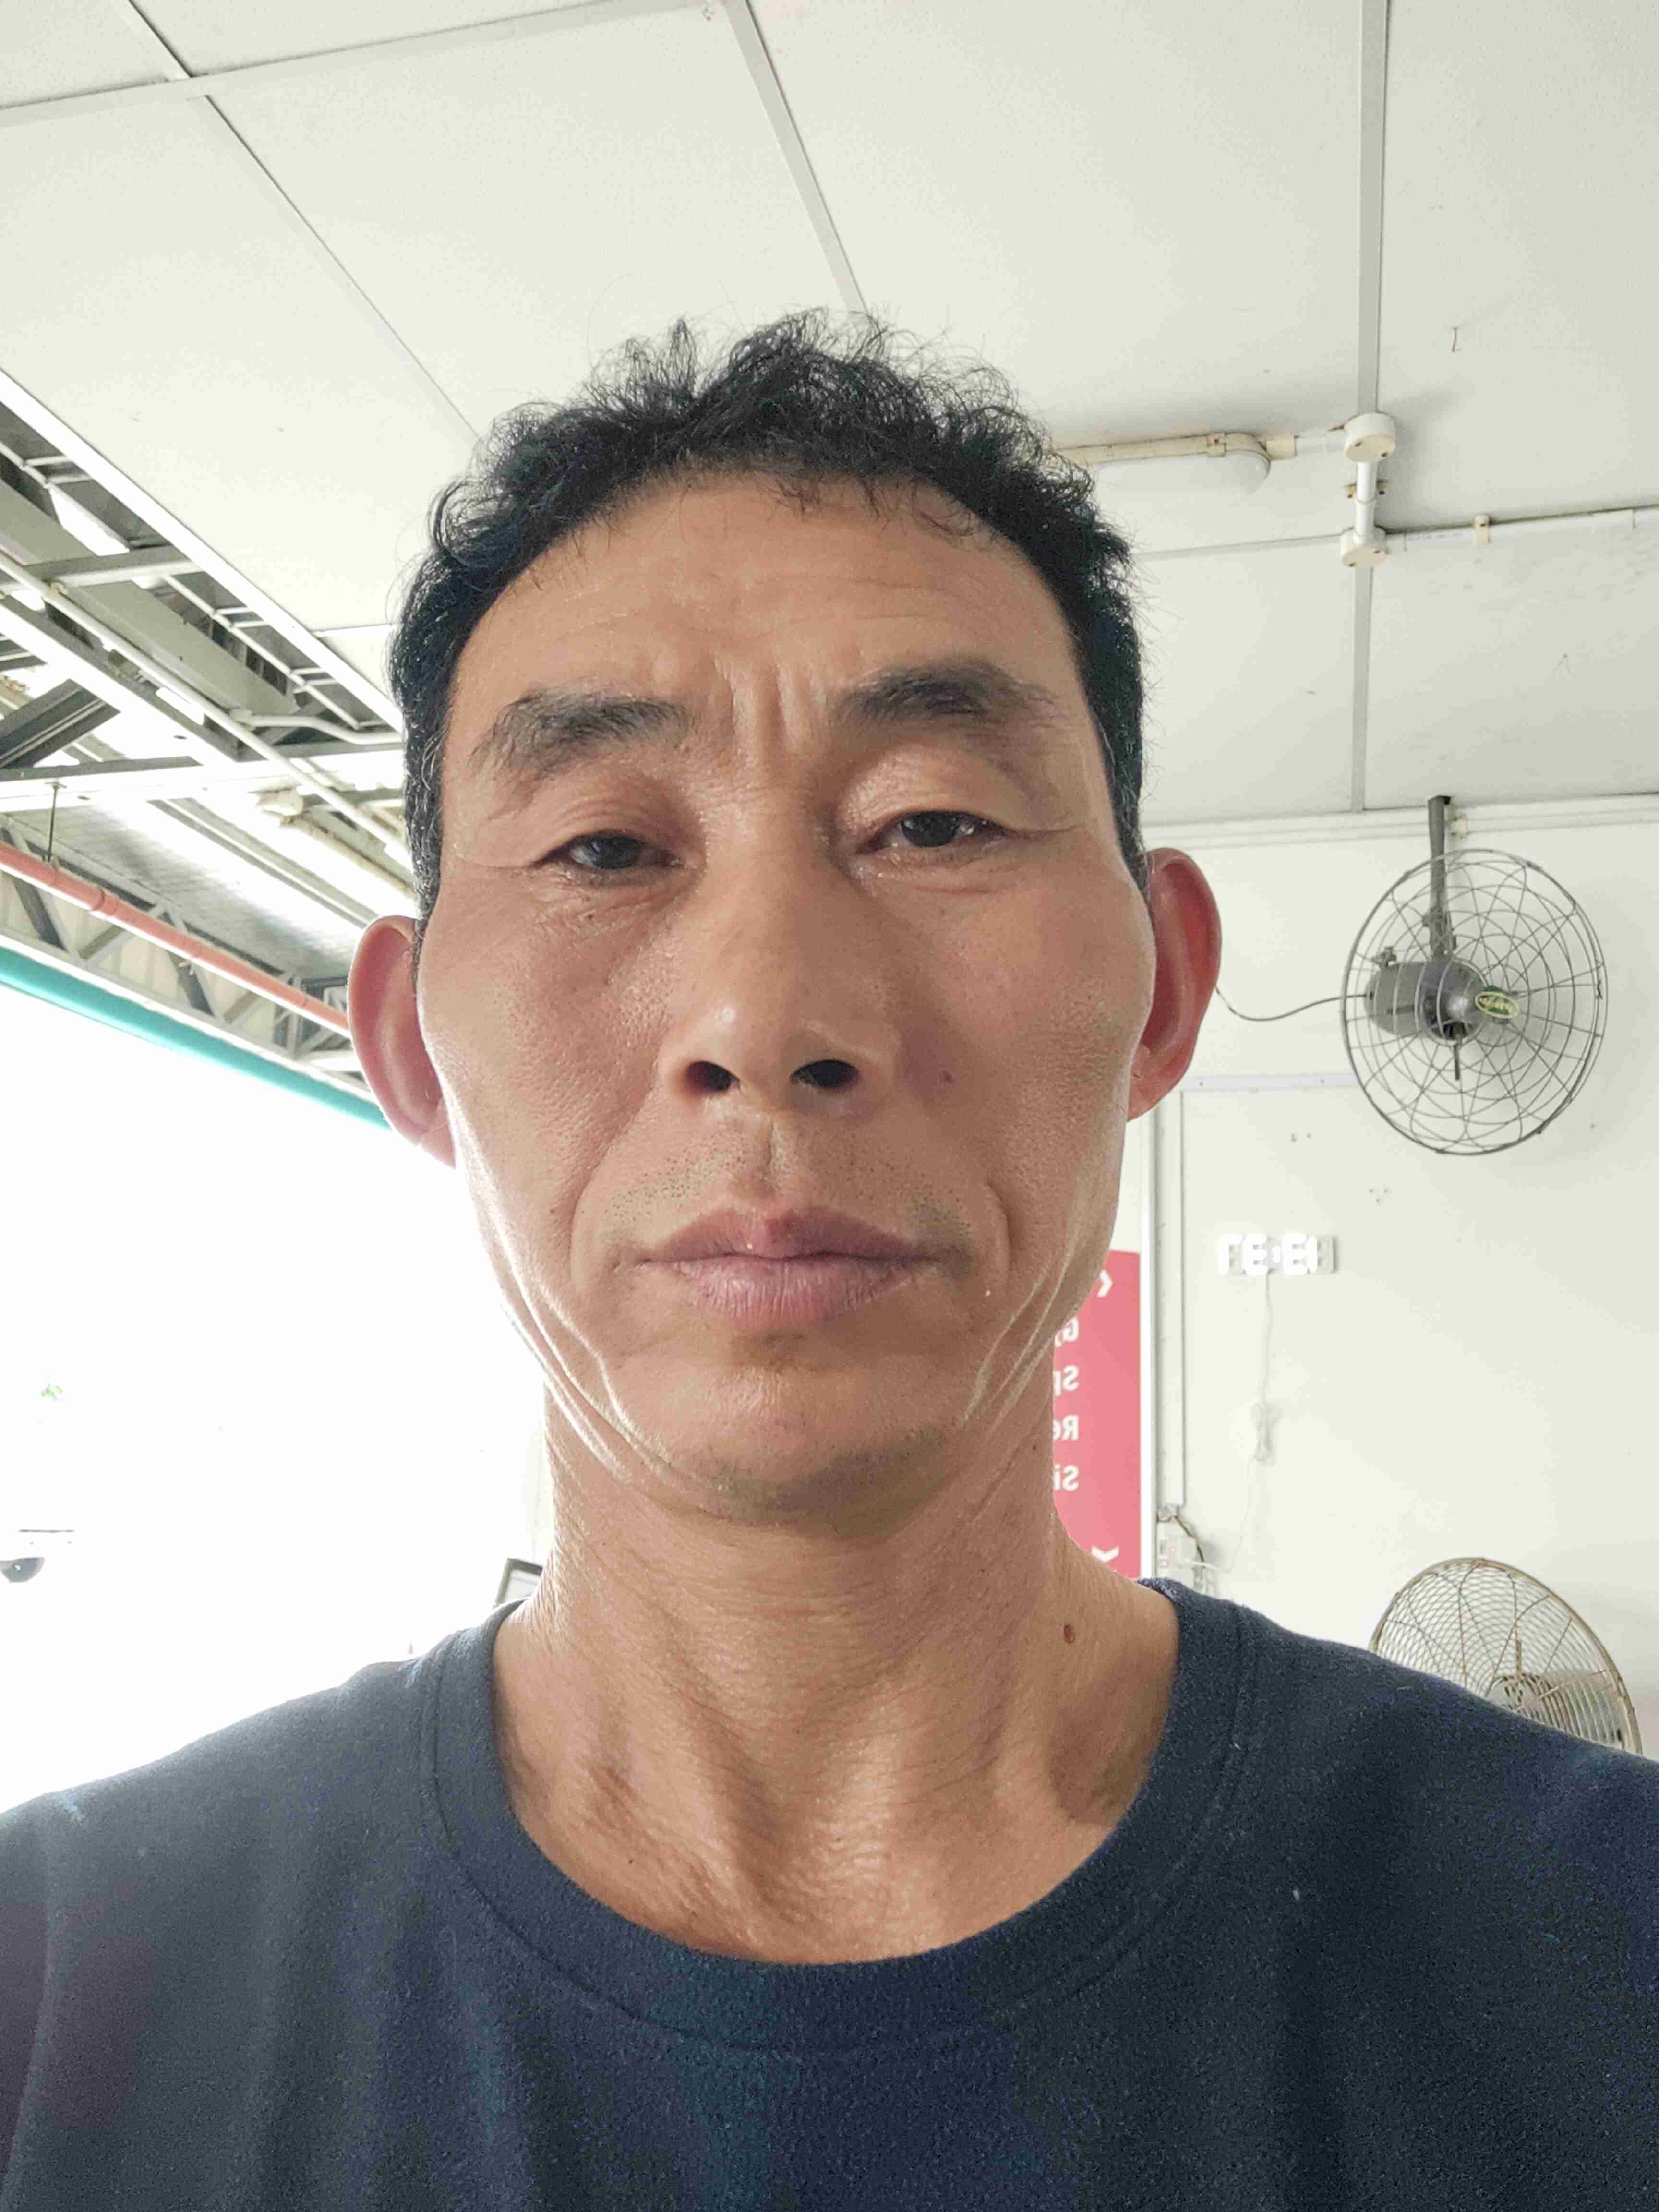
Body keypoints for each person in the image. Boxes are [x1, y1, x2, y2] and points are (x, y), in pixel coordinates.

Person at [1, 312, 1653, 2208]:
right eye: (605, 850)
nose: (768, 1017)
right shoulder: (60, 2010)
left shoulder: (1602, 1964)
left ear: (1164, 990)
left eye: (933, 821)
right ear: (406, 1050)